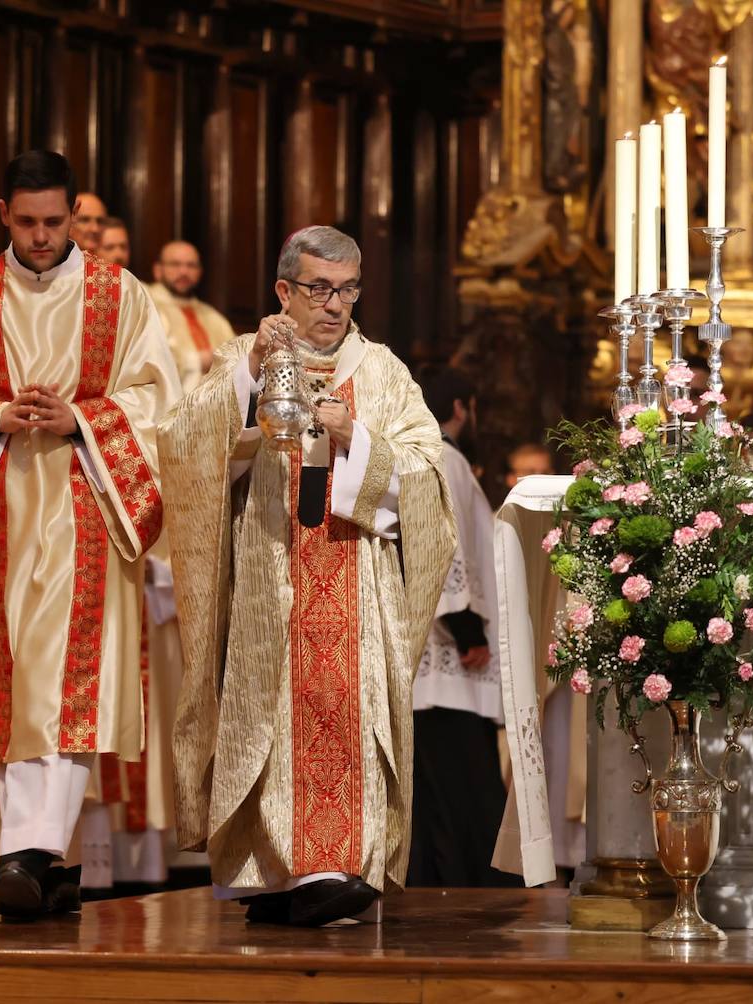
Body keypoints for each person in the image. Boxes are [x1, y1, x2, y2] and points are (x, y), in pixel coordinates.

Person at [0, 150, 179, 917]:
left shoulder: (118, 294)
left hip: (86, 509)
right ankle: (37, 856)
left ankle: (26, 854)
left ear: (73, 213)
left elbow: (157, 397)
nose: (39, 235)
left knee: (64, 687)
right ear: (2, 212)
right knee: (15, 685)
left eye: (54, 222)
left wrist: (81, 420)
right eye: (25, 221)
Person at [160, 225, 455, 926]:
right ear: (283, 290)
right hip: (270, 575)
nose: (334, 305)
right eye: (319, 288)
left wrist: (359, 441)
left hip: (357, 579)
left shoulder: (383, 372)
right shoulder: (247, 355)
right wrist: (252, 378)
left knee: (344, 715)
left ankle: (337, 867)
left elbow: (429, 477)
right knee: (272, 721)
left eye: (348, 289)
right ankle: (281, 876)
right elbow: (184, 449)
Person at [408, 367, 509, 888]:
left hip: (430, 660)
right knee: (463, 793)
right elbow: (445, 550)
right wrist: (468, 631)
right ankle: (471, 894)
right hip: (450, 661)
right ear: (461, 406)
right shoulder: (443, 459)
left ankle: (433, 890)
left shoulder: (420, 457)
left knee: (433, 797)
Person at [148, 240, 236, 393]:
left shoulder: (212, 315)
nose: (183, 272)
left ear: (200, 272)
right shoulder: (147, 304)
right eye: (175, 264)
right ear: (158, 270)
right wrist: (197, 361)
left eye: (191, 265)